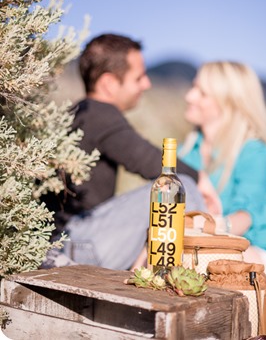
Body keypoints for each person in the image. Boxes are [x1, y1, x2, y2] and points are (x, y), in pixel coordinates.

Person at [45, 33, 208, 271]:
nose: (147, 84)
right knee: (183, 185)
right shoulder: (100, 114)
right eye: (138, 77)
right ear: (109, 83)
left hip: (69, 240)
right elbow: (148, 160)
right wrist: (201, 179)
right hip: (78, 243)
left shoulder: (81, 112)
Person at [178, 60, 266, 339]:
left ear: (227, 102)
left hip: (258, 263)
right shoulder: (187, 152)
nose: (189, 96)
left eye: (200, 91)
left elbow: (246, 216)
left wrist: (212, 225)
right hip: (199, 258)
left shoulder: (253, 151)